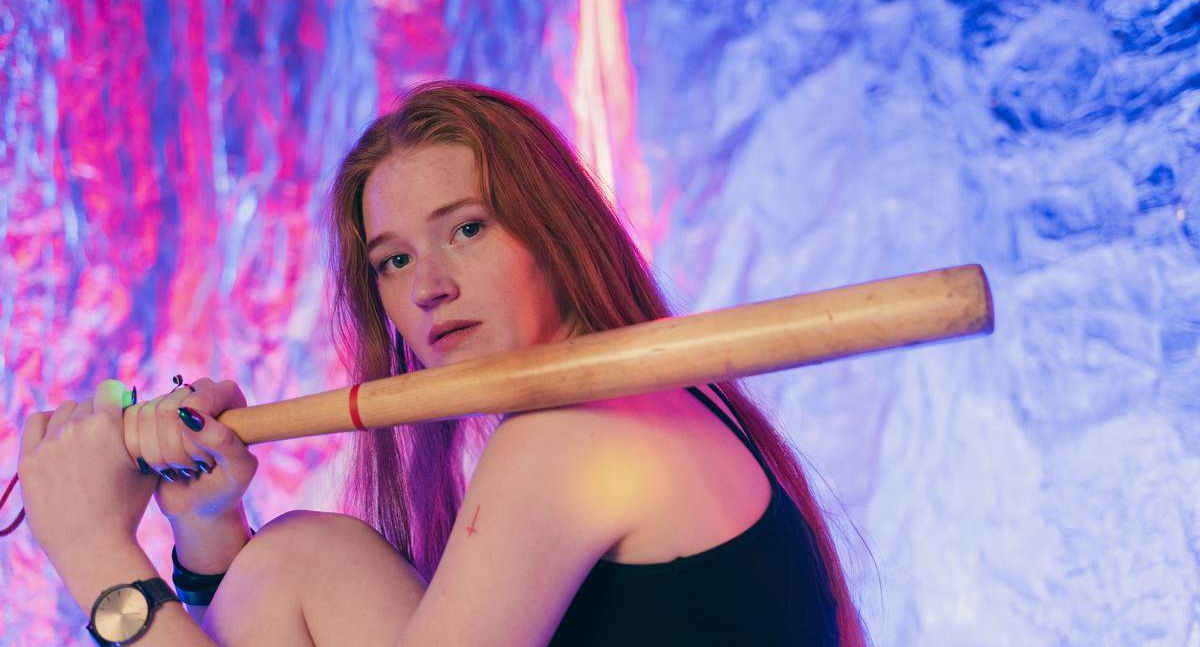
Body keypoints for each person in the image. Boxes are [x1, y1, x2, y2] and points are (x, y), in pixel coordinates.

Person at [19, 80, 869, 646]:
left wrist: (96, 555)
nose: (428, 286)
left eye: (466, 228)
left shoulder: (573, 444)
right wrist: (207, 534)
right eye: (392, 260)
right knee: (297, 561)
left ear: (554, 230)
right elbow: (265, 610)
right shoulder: (643, 408)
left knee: (293, 565)